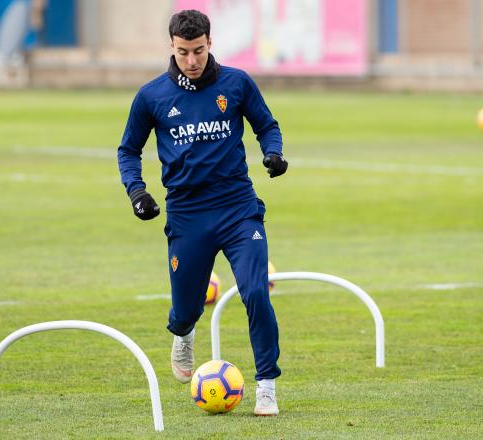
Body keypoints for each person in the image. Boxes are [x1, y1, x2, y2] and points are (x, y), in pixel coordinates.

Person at [117, 9, 288, 416]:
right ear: (171, 47)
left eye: (197, 51)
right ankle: (183, 331)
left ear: (210, 44)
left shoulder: (237, 83)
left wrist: (274, 152)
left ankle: (266, 385)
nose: (191, 61)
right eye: (182, 52)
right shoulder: (151, 96)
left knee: (255, 292)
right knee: (187, 306)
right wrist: (137, 191)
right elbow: (128, 150)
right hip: (187, 214)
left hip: (238, 209)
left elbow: (267, 125)